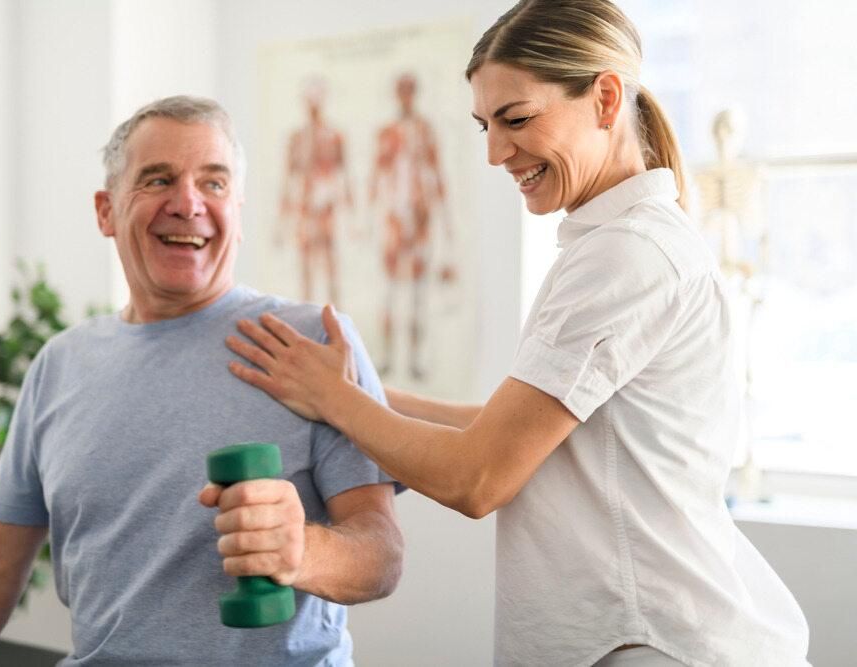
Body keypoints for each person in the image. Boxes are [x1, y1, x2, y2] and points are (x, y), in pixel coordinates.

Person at [224, 1, 810, 665]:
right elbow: (521, 433)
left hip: (649, 641)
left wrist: (336, 399)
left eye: (517, 119)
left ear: (606, 97)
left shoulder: (627, 256)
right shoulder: (611, 245)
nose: (497, 152)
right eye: (485, 125)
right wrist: (361, 388)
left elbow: (480, 476)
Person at [0, 95, 402, 666]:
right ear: (106, 212)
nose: (188, 203)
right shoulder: (61, 363)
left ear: (237, 212)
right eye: (158, 179)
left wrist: (303, 552)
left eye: (213, 184)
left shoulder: (312, 341)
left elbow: (381, 555)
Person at [368, 73, 455, 380]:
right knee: (391, 290)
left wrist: (446, 223)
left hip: (420, 218)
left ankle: (416, 359)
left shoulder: (424, 130)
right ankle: (387, 357)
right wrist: (370, 220)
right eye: (400, 90)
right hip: (394, 218)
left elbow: (437, 173)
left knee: (418, 291)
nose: (405, 95)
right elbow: (376, 176)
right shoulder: (387, 133)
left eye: (409, 90)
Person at [279, 76, 353, 305]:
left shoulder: (333, 136)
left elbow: (343, 175)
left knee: (330, 264)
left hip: (326, 207)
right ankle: (308, 315)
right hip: (304, 207)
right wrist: (282, 219)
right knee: (305, 267)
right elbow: (288, 178)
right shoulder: (297, 138)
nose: (313, 104)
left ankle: (336, 315)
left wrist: (351, 215)